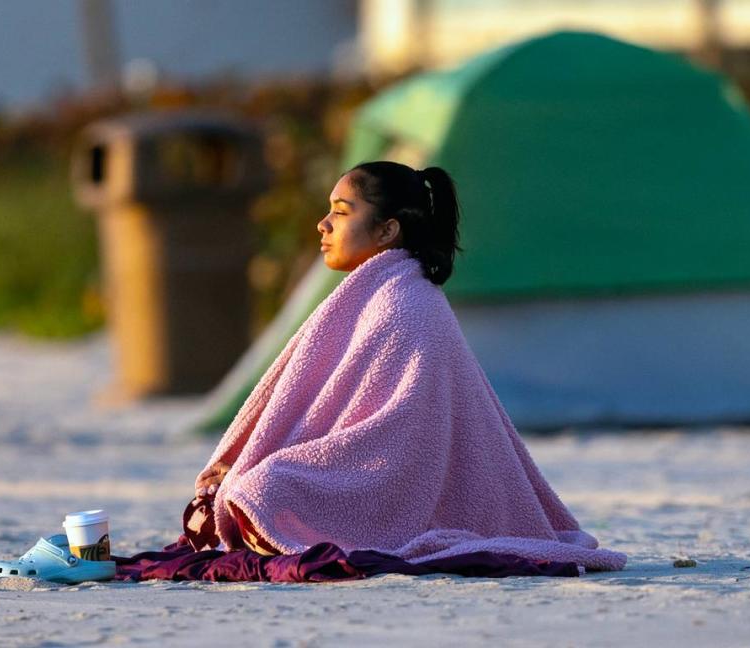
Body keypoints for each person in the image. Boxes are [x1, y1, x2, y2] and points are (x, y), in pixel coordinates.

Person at [186, 160, 626, 572]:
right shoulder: (380, 294)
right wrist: (255, 458)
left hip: (392, 485)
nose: (323, 224)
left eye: (340, 212)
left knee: (262, 489)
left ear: (387, 230)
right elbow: (339, 413)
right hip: (367, 473)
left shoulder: (405, 304)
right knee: (246, 487)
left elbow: (399, 432)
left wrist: (262, 466)